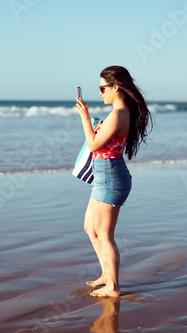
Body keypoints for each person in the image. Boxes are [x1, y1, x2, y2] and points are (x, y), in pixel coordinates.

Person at [76, 65, 152, 297]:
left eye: (102, 88)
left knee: (105, 235)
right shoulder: (120, 113)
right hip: (106, 175)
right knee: (90, 228)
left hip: (110, 178)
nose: (100, 93)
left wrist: (85, 118)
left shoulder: (119, 114)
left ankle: (114, 287)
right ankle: (107, 275)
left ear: (115, 87)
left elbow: (93, 144)